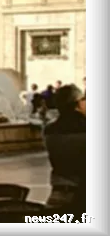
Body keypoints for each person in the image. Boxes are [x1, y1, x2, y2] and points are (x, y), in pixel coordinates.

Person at [44, 84, 85, 214]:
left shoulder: (50, 129)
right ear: (77, 104)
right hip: (80, 197)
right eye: (84, 99)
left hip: (58, 194)